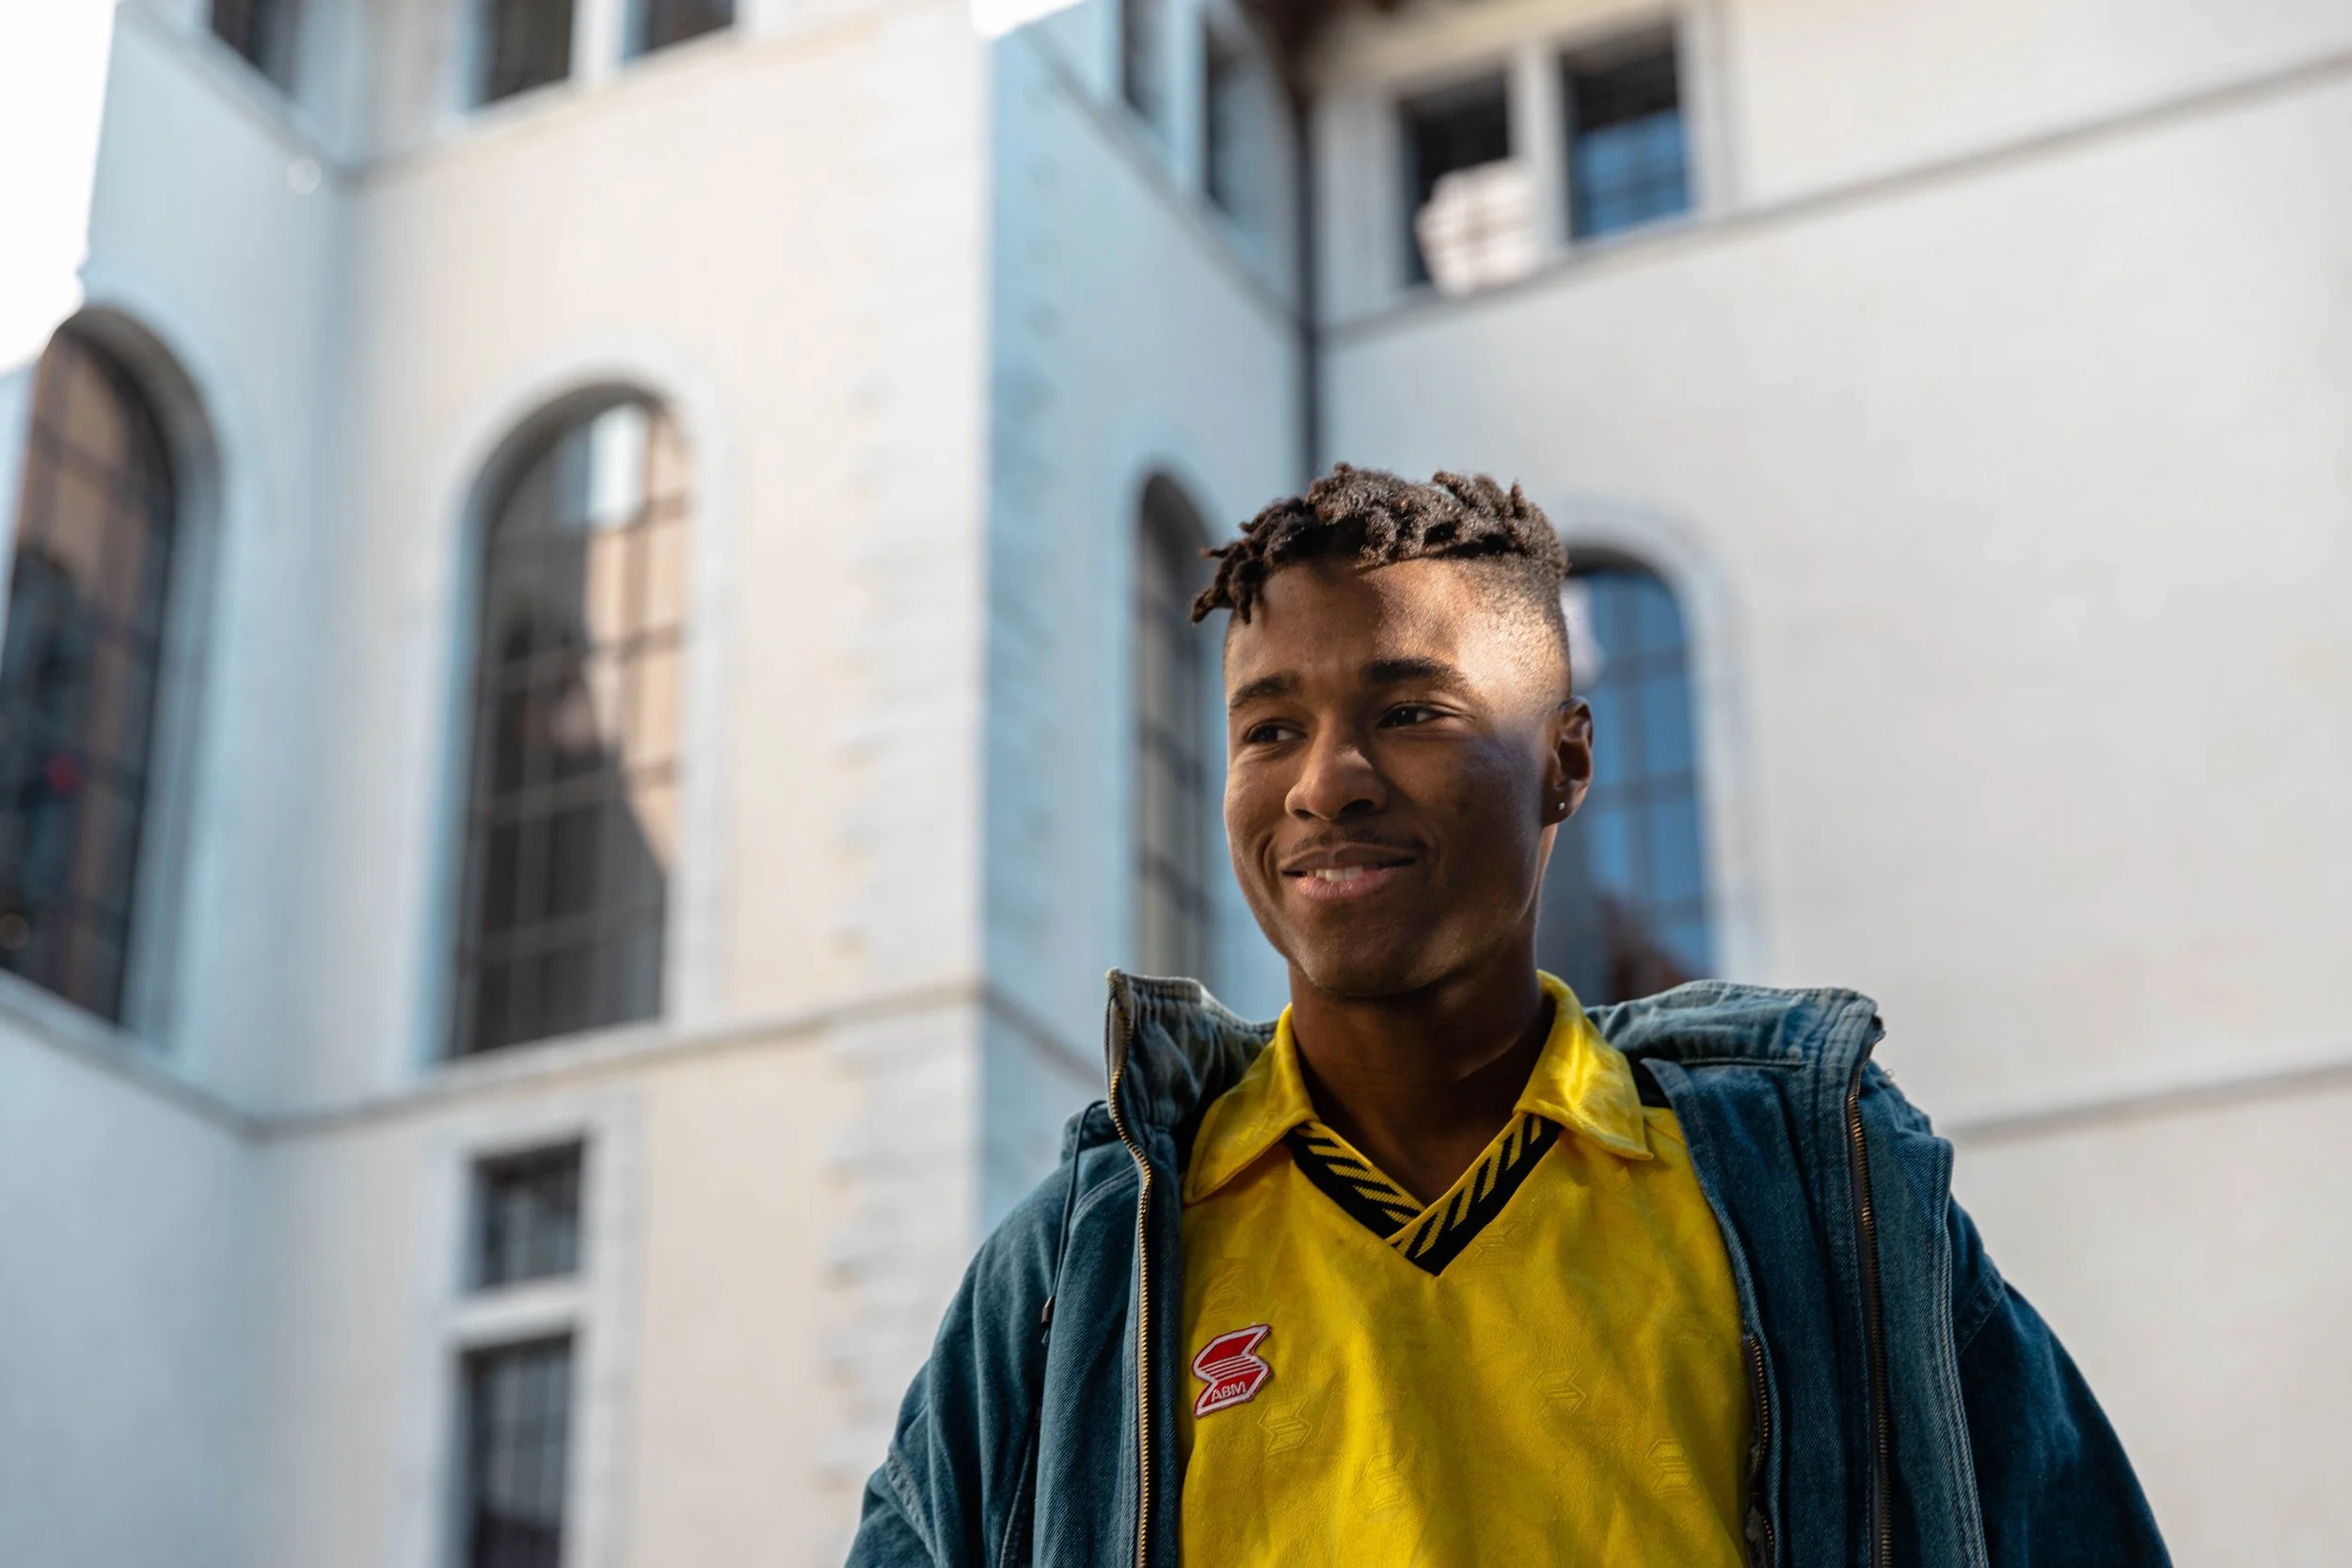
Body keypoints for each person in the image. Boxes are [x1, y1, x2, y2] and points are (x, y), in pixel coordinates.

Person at [846, 466, 2169, 1567]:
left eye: (1411, 711)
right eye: (1267, 729)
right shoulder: (1077, 1273)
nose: (1327, 783)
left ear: (1568, 759)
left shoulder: (1821, 1207)